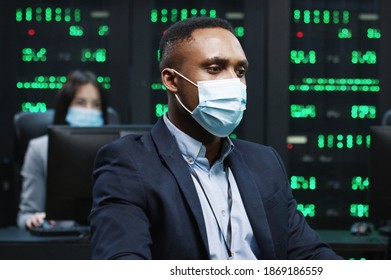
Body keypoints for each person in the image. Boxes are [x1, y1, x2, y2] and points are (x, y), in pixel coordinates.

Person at [90, 17, 342, 260]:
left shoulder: (264, 162)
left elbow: (308, 253)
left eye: (240, 70)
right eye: (215, 68)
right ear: (171, 80)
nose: (234, 82)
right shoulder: (128, 163)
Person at [17, 70, 109, 229]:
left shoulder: (116, 149)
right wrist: (33, 220)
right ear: (66, 107)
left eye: (96, 104)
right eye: (80, 103)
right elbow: (25, 215)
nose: (89, 110)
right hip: (59, 243)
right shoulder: (39, 149)